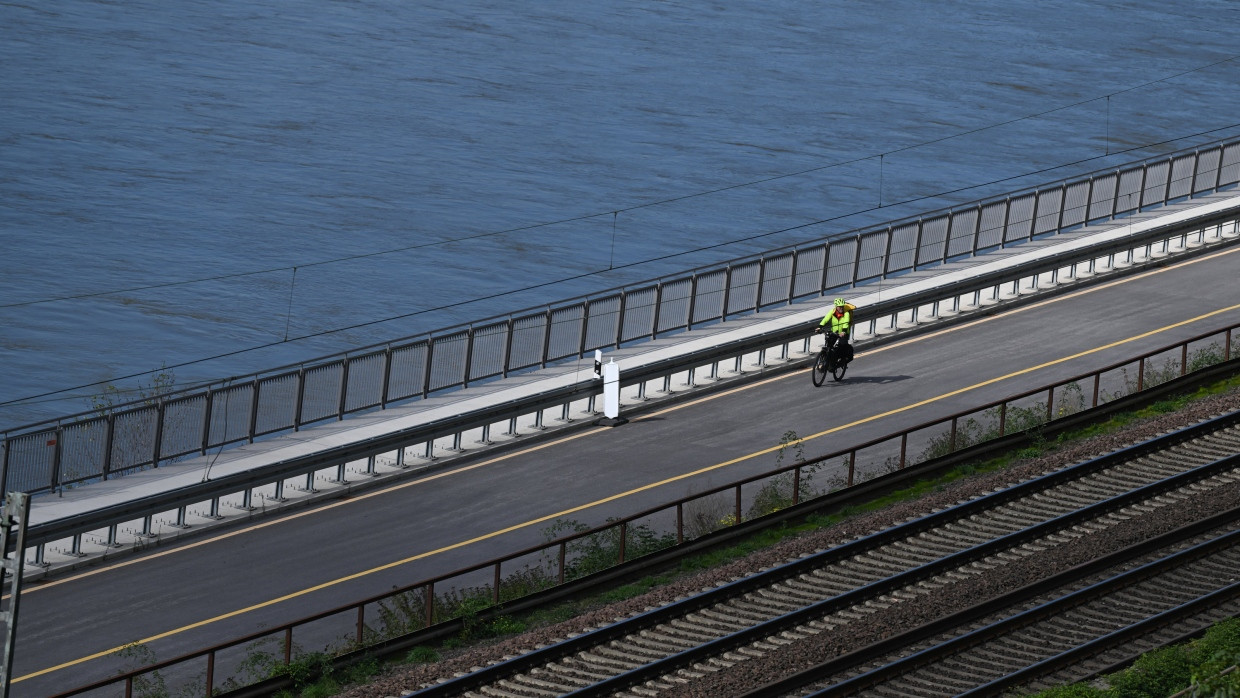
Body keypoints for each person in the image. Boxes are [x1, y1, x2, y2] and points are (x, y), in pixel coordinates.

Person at [816, 298, 856, 364]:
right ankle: (829, 360)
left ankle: (842, 359)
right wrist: (820, 327)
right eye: (839, 307)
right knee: (829, 345)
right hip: (834, 332)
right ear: (836, 306)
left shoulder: (846, 313)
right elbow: (825, 319)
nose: (841, 308)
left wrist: (843, 331)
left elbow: (846, 323)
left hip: (844, 332)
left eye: (842, 306)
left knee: (841, 346)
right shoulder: (832, 312)